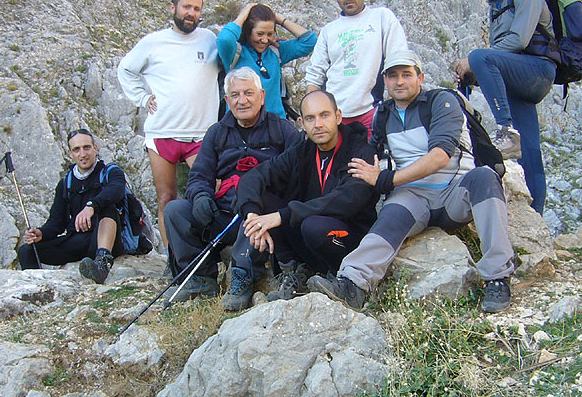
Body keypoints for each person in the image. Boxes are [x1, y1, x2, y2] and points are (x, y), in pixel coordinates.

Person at [308, 51, 515, 313]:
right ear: (385, 80)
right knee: (390, 216)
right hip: (414, 197)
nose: (399, 81)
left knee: (484, 177)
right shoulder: (383, 115)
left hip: (455, 192)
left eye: (407, 74)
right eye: (393, 76)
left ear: (420, 78)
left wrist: (387, 179)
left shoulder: (442, 102)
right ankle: (353, 284)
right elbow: (375, 156)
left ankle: (498, 277)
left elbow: (439, 156)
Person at [163, 67, 300, 311]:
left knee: (255, 212)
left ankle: (242, 278)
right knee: (175, 210)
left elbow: (298, 176)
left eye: (248, 93)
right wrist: (201, 197)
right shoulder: (216, 133)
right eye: (235, 95)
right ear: (226, 100)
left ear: (262, 96)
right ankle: (200, 279)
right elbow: (199, 175)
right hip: (222, 214)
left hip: (260, 214)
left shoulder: (282, 130)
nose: (242, 100)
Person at [236, 90, 379, 304]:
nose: (318, 124)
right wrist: (252, 215)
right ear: (302, 123)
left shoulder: (359, 151)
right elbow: (254, 177)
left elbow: (348, 200)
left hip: (346, 240)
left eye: (324, 115)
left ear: (338, 116)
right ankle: (295, 271)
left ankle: (337, 279)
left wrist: (283, 215)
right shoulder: (302, 151)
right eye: (311, 118)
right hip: (308, 236)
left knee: (313, 226)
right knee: (265, 200)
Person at [454, 0, 560, 214]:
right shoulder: (497, 4)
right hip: (519, 77)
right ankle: (537, 217)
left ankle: (505, 130)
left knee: (479, 56)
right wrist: (473, 74)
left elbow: (519, 40)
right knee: (530, 152)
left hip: (538, 70)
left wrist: (474, 61)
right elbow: (501, 58)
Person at [117, 0, 220, 255]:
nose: (191, 13)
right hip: (163, 132)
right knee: (166, 197)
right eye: (186, 7)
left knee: (209, 194)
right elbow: (125, 69)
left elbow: (233, 52)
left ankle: (208, 254)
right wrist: (142, 98)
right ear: (173, 8)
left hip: (201, 134)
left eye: (196, 9)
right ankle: (172, 258)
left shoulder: (209, 39)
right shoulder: (154, 42)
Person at [305, 0, 408, 134]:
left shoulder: (382, 18)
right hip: (333, 117)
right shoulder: (328, 31)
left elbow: (398, 59)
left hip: (371, 112)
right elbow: (315, 74)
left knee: (371, 151)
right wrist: (311, 113)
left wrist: (394, 109)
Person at [18, 129, 126, 284]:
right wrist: (42, 233)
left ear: (95, 148)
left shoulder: (111, 172)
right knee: (27, 251)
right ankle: (36, 288)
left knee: (107, 207)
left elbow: (116, 191)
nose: (83, 154)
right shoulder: (65, 183)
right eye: (76, 149)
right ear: (70, 154)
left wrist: (92, 206)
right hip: (77, 241)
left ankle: (102, 263)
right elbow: (56, 223)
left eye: (86, 147)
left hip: (106, 240)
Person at [217, 3, 317, 119]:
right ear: (248, 31)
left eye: (270, 34)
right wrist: (243, 15)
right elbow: (224, 39)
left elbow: (310, 41)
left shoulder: (276, 51)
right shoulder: (234, 53)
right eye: (259, 34)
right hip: (241, 125)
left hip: (276, 126)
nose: (265, 40)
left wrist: (277, 18)